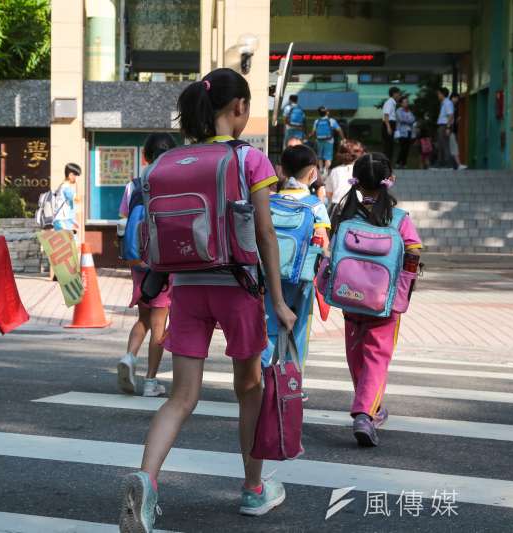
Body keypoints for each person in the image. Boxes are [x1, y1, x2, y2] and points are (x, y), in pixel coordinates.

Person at [118, 68, 296, 533]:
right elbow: (265, 233)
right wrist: (278, 300)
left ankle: (146, 478)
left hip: (189, 288)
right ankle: (254, 491)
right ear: (237, 108)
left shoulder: (167, 162)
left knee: (181, 397)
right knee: (249, 389)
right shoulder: (249, 160)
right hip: (238, 287)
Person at [330, 153, 422, 447]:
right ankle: (365, 414)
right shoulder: (399, 219)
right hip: (385, 303)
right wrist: (403, 292)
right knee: (376, 359)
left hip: (349, 299)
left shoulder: (344, 215)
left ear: (355, 181)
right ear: (389, 180)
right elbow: (413, 253)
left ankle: (371, 407)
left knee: (356, 356)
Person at [261, 145, 331, 374]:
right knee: (298, 330)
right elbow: (323, 242)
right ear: (313, 174)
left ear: (281, 171)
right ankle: (291, 381)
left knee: (268, 326)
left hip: (268, 277)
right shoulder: (314, 205)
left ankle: (259, 380)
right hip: (301, 278)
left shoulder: (268, 202)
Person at [116, 133, 176, 398]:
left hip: (137, 261)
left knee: (143, 317)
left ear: (145, 156)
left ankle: (129, 357)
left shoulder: (134, 185)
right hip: (163, 262)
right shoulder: (175, 184)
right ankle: (151, 381)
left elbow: (124, 219)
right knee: (159, 324)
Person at [325, 139, 365, 217]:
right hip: (358, 207)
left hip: (337, 207)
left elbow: (329, 193)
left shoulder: (334, 171)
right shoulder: (362, 170)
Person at [310, 106, 344, 175]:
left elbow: (313, 132)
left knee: (319, 156)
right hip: (329, 141)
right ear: (327, 113)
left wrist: (308, 136)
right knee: (328, 157)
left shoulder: (316, 121)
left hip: (319, 140)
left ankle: (321, 169)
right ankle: (326, 170)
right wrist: (343, 138)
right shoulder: (331, 121)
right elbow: (339, 130)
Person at [53, 163, 80, 232]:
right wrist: (77, 186)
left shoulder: (62, 186)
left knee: (66, 241)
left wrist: (73, 221)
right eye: (76, 175)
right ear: (71, 175)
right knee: (67, 241)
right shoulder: (66, 188)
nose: (77, 178)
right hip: (62, 221)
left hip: (62, 220)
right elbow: (76, 200)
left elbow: (68, 206)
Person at [435, 87, 456, 169]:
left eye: (439, 94)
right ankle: (441, 162)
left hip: (445, 125)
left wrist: (448, 127)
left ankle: (449, 163)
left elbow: (450, 115)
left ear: (442, 94)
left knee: (445, 145)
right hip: (442, 125)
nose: (438, 95)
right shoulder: (444, 103)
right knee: (440, 144)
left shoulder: (447, 103)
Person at [394, 96, 415, 169]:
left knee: (407, 149)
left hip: (409, 132)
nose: (406, 103)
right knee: (402, 148)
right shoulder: (399, 111)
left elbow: (413, 119)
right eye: (405, 102)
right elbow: (401, 119)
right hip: (401, 132)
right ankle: (398, 162)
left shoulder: (409, 111)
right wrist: (408, 120)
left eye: (407, 102)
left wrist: (408, 120)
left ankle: (404, 163)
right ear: (401, 103)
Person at [381, 86, 400, 162]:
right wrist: (388, 127)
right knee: (388, 145)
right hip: (388, 124)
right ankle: (386, 162)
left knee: (390, 145)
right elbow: (386, 115)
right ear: (394, 94)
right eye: (398, 94)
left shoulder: (392, 103)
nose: (399, 96)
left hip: (390, 124)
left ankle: (388, 162)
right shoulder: (389, 102)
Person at [449, 92, 467, 170]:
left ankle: (455, 165)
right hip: (450, 130)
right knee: (454, 147)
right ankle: (458, 165)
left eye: (457, 98)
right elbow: (450, 119)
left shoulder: (453, 106)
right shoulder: (450, 106)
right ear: (452, 98)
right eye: (456, 98)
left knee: (452, 147)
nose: (457, 100)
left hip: (451, 129)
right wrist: (449, 126)